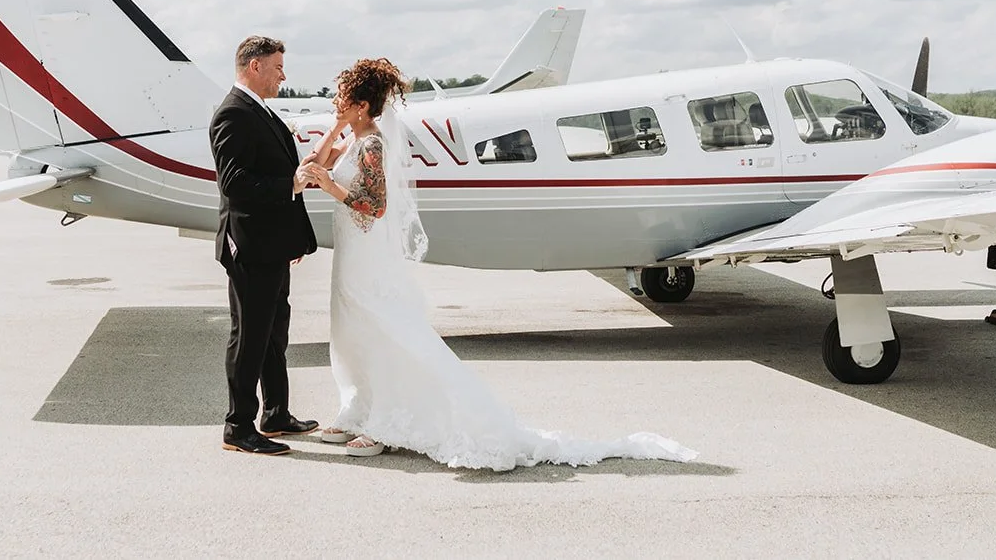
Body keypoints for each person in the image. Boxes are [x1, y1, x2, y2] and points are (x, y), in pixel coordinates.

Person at [297, 57, 697, 470]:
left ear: (360, 105)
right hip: (350, 253)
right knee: (348, 328)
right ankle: (356, 406)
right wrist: (335, 128)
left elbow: (375, 208)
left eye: (341, 99)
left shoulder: (374, 145)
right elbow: (316, 160)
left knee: (376, 328)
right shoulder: (353, 139)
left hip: (366, 252)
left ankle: (381, 422)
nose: (334, 103)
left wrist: (330, 188)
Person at [210, 36, 320, 456]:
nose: (283, 75)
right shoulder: (233, 115)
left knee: (275, 334)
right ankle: (237, 426)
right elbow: (234, 184)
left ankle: (275, 414)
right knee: (250, 336)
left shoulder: (260, 110)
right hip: (250, 247)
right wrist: (290, 183)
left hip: (273, 244)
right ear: (254, 67)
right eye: (277, 67)